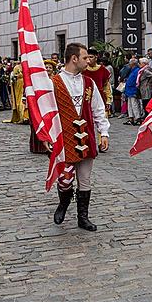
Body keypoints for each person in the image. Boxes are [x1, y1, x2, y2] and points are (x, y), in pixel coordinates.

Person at [50, 43, 110, 232]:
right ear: (74, 59)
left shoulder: (89, 83)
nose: (89, 61)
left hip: (86, 138)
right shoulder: (54, 82)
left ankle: (82, 217)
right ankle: (63, 203)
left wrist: (104, 132)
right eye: (85, 58)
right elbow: (46, 112)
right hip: (64, 140)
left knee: (85, 179)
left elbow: (98, 109)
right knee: (65, 179)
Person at [123, 57, 143, 125]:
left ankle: (137, 117)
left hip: (133, 89)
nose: (129, 65)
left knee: (134, 104)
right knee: (130, 105)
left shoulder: (137, 70)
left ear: (133, 64)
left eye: (130, 63)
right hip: (129, 90)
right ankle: (131, 117)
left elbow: (135, 81)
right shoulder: (132, 70)